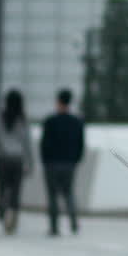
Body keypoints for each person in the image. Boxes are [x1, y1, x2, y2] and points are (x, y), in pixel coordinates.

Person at [0, 89, 33, 235]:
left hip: (2, 159)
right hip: (17, 160)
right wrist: (30, 163)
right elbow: (27, 143)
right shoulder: (23, 119)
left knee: (2, 188)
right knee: (16, 191)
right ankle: (13, 220)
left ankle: (2, 211)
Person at [41, 88, 84, 236]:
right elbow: (80, 144)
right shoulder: (77, 122)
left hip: (52, 163)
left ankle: (54, 227)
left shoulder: (50, 121)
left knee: (52, 195)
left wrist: (45, 161)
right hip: (69, 163)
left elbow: (44, 144)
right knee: (69, 193)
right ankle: (74, 223)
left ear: (58, 102)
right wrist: (76, 160)